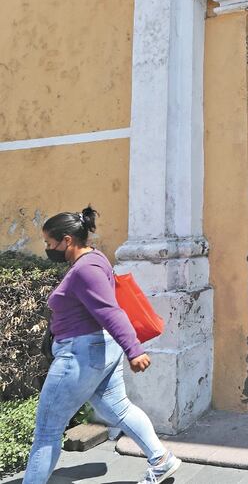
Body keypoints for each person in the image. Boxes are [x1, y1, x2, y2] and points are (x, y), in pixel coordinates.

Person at [23, 207, 180, 484]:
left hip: (79, 355)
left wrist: (135, 350)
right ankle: (161, 459)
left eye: (50, 243)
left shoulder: (86, 269)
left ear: (67, 240)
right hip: (97, 350)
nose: (48, 249)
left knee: (47, 431)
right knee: (119, 409)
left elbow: (110, 311)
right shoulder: (94, 259)